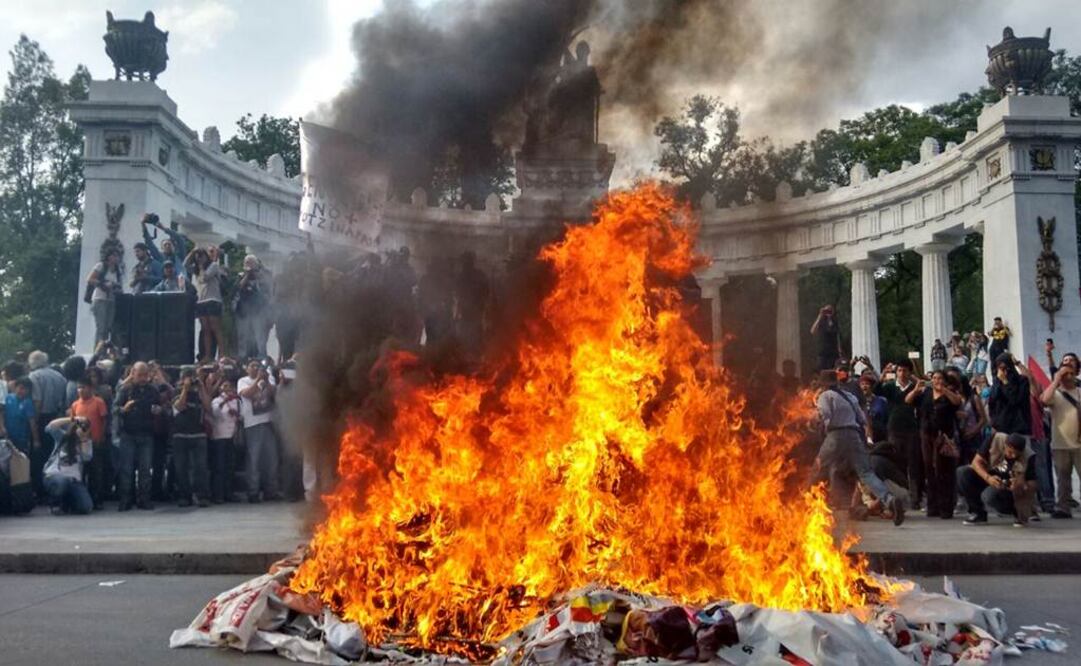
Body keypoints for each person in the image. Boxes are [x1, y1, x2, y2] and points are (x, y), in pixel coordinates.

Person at [813, 369, 905, 525]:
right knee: (866, 473)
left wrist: (814, 421)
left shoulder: (824, 396)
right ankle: (889, 500)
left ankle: (799, 501)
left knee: (818, 467)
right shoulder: (849, 396)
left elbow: (825, 416)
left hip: (836, 435)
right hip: (854, 434)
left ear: (823, 384)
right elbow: (862, 419)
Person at [907, 370, 963, 519]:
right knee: (929, 470)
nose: (937, 381)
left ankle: (946, 508)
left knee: (944, 471)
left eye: (940, 378)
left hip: (943, 437)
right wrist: (916, 389)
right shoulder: (926, 394)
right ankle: (933, 507)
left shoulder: (949, 394)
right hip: (927, 436)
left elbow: (957, 402)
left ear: (945, 380)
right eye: (934, 378)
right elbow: (908, 400)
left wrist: (943, 389)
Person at [958, 433, 1037, 526]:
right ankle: (978, 513)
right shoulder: (994, 439)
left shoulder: (1028, 456)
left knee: (989, 496)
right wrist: (988, 478)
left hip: (1009, 486)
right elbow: (976, 462)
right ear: (1005, 446)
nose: (1013, 456)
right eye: (1010, 452)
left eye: (1016, 454)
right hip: (990, 474)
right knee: (962, 472)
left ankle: (1018, 512)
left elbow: (1033, 483)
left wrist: (1019, 485)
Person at [874, 359, 922, 509]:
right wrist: (883, 374)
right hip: (894, 429)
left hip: (911, 429)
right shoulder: (890, 387)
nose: (902, 374)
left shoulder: (915, 388)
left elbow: (917, 399)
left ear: (909, 372)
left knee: (914, 464)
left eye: (905, 371)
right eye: (899, 371)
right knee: (897, 462)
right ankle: (901, 495)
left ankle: (916, 498)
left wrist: (916, 382)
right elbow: (876, 390)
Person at [114, 362, 160, 511]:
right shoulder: (125, 389)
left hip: (146, 434)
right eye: (139, 375)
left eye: (145, 375)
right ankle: (126, 499)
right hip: (128, 434)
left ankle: (144, 499)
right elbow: (114, 409)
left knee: (145, 469)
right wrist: (124, 409)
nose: (142, 378)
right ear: (132, 373)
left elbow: (161, 407)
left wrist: (158, 410)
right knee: (126, 469)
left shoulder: (153, 390)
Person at [1039, 362, 1081, 519]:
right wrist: (1056, 380)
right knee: (1063, 479)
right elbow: (1044, 399)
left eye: (1071, 373)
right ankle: (1063, 507)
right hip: (1060, 443)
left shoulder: (1079, 392)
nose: (1068, 377)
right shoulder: (1056, 394)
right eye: (1065, 374)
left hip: (1079, 442)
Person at [237, 359, 281, 502]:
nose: (256, 368)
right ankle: (253, 492)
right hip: (252, 424)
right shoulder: (242, 381)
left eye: (258, 366)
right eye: (252, 366)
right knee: (254, 459)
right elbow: (247, 394)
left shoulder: (268, 377)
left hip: (268, 423)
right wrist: (258, 380)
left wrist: (266, 380)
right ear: (246, 368)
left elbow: (274, 393)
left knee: (271, 459)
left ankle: (271, 491)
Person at [28, 351, 67, 501]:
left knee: (39, 457)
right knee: (54, 455)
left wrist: (34, 423)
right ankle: (55, 490)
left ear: (33, 363)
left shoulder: (34, 376)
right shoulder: (60, 376)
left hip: (41, 419)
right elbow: (63, 402)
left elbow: (37, 401)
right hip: (57, 418)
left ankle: (41, 491)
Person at [172, 367, 211, 507]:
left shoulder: (199, 392)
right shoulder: (176, 391)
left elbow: (208, 407)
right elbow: (179, 406)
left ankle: (202, 496)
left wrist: (201, 388)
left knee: (200, 467)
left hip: (198, 433)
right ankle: (184, 496)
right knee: (181, 467)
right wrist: (185, 389)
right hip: (180, 434)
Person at [41, 417, 94, 515]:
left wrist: (83, 440)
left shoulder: (86, 442)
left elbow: (87, 458)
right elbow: (50, 427)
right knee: (62, 482)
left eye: (86, 428)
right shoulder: (63, 437)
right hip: (54, 475)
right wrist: (72, 419)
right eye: (81, 426)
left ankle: (68, 502)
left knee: (86, 507)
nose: (82, 429)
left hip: (74, 480)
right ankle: (55, 504)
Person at [69, 377, 108, 510]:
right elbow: (73, 423)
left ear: (90, 388)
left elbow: (104, 421)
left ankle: (97, 499)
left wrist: (101, 437)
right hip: (81, 444)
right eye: (79, 387)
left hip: (95, 442)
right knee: (81, 472)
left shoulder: (98, 402)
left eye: (83, 387)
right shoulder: (75, 405)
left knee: (96, 472)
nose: (80, 390)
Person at [187, 246, 226, 362]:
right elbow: (185, 265)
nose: (200, 259)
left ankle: (222, 354)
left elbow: (205, 278)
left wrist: (201, 267)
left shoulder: (213, 265)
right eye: (198, 257)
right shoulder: (196, 269)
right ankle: (208, 355)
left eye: (202, 256)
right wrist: (192, 252)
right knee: (206, 329)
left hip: (213, 300)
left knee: (215, 328)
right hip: (201, 301)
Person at [235, 254, 274, 360]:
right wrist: (247, 275)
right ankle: (242, 357)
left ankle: (262, 356)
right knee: (243, 335)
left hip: (258, 310)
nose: (249, 265)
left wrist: (257, 276)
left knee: (259, 336)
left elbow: (266, 291)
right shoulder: (241, 275)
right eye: (247, 262)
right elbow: (239, 287)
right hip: (243, 311)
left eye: (251, 262)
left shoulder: (262, 276)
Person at [209, 379, 241, 503]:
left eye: (229, 386)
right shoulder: (216, 400)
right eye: (224, 386)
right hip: (219, 436)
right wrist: (225, 401)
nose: (227, 388)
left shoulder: (237, 401)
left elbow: (242, 416)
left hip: (232, 436)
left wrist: (237, 414)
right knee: (219, 467)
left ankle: (229, 493)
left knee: (230, 466)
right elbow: (215, 413)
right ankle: (218, 495)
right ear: (220, 388)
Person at [87, 248, 122, 345]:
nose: (116, 258)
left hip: (111, 299)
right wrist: (104, 284)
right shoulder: (101, 266)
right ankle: (98, 353)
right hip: (100, 299)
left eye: (117, 256)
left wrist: (116, 287)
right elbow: (90, 279)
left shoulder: (117, 270)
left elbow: (118, 284)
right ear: (109, 256)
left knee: (108, 327)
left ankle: (104, 351)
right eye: (114, 255)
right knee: (101, 328)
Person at [142, 212, 188, 282]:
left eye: (169, 244)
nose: (167, 246)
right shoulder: (160, 258)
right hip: (165, 285)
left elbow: (179, 239)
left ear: (174, 247)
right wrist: (142, 224)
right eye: (165, 245)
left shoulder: (180, 256)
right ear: (162, 248)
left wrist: (163, 228)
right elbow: (150, 244)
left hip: (180, 284)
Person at [1, 378, 39, 459]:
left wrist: (36, 440)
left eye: (25, 389)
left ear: (29, 391)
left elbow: (32, 423)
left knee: (21, 461)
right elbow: (2, 414)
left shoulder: (28, 403)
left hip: (22, 439)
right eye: (20, 387)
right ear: (15, 387)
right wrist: (2, 427)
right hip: (8, 436)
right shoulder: (8, 398)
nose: (22, 391)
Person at [810, 305, 842, 371]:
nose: (828, 313)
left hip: (833, 351)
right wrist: (820, 315)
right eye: (826, 311)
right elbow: (812, 331)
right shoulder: (821, 321)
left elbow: (837, 335)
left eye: (830, 311)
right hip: (823, 350)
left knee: (833, 369)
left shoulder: (835, 321)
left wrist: (839, 350)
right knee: (821, 369)